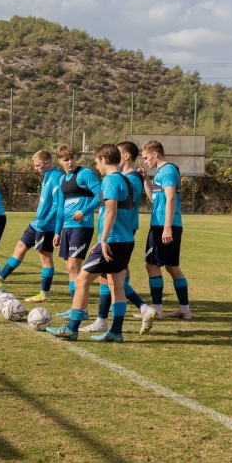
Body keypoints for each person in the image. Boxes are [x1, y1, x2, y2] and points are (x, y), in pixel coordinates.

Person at [48, 144, 135, 342]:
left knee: (81, 281)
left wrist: (103, 239)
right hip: (126, 239)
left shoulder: (110, 180)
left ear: (104, 159)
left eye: (97, 162)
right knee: (117, 285)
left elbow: (111, 211)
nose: (96, 166)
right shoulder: (125, 180)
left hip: (113, 241)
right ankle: (116, 331)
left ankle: (72, 328)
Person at [84, 141, 158, 334]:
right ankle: (107, 318)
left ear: (125, 156)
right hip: (119, 230)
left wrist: (103, 237)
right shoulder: (129, 177)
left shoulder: (128, 178)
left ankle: (138, 308)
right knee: (111, 276)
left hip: (120, 231)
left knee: (112, 278)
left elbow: (113, 208)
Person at [0, 150, 61, 303]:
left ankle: (44, 294)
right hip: (36, 223)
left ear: (47, 163)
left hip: (46, 226)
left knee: (45, 258)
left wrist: (45, 221)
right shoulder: (47, 176)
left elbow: (57, 204)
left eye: (37, 165)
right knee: (20, 247)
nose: (35, 168)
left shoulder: (56, 177)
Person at [141, 139, 192, 319]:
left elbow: (170, 198)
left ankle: (157, 310)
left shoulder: (167, 171)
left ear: (155, 154)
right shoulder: (161, 172)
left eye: (146, 157)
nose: (145, 161)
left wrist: (167, 227)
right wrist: (146, 180)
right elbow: (155, 199)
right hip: (167, 224)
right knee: (172, 266)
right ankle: (185, 310)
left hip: (163, 225)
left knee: (152, 264)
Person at [52, 144, 101, 310]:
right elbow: (60, 208)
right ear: (60, 161)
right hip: (67, 228)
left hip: (82, 226)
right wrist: (57, 232)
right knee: (69, 268)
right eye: (66, 159)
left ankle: (81, 309)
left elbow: (101, 195)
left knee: (74, 266)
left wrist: (84, 211)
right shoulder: (61, 180)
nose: (70, 162)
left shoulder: (85, 173)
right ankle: (75, 307)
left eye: (72, 158)